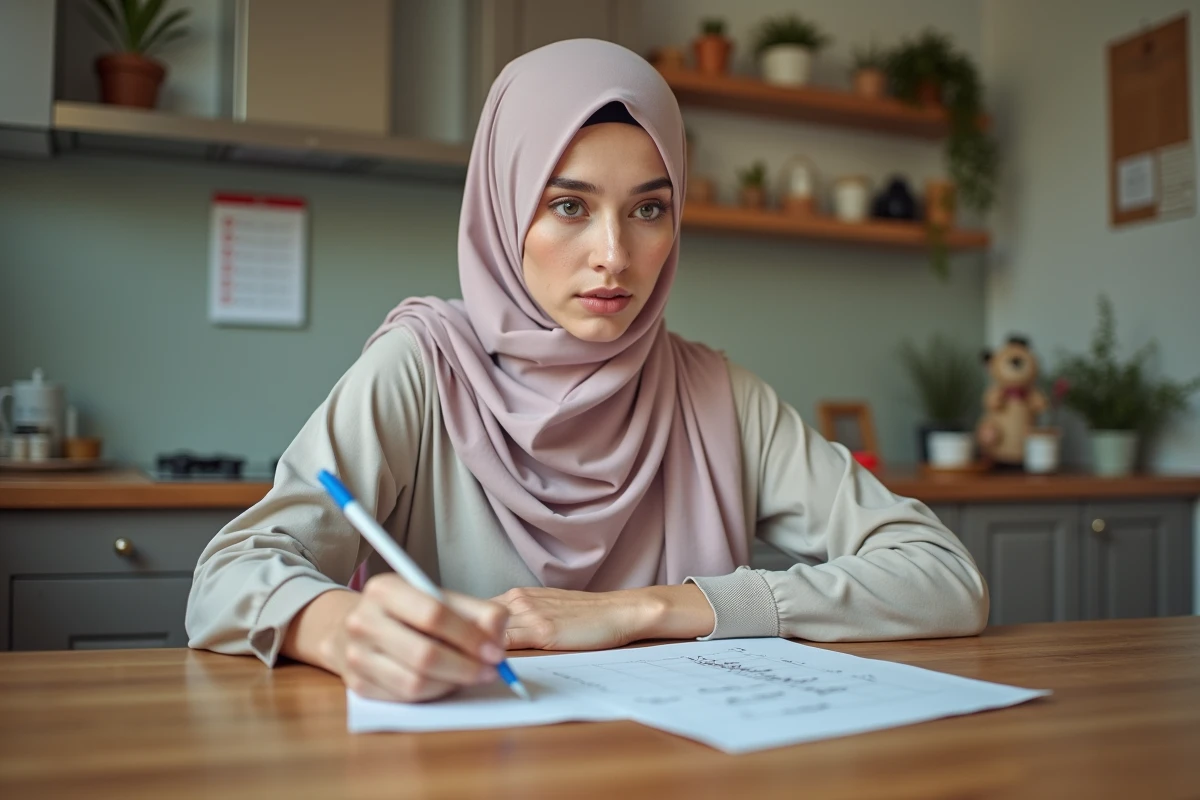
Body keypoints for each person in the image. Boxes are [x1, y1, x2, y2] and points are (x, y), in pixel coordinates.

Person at [186, 39, 988, 704]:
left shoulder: (715, 395)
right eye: (569, 205)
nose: (615, 255)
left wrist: (646, 611)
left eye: (649, 209)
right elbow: (230, 574)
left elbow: (942, 577)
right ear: (504, 210)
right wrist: (340, 629)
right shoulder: (421, 369)